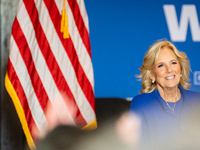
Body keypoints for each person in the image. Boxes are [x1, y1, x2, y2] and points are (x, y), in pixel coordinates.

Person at [130, 40, 200, 150]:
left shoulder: (197, 100)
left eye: (173, 63)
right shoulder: (141, 104)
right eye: (161, 65)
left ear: (180, 68)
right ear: (152, 75)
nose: (169, 70)